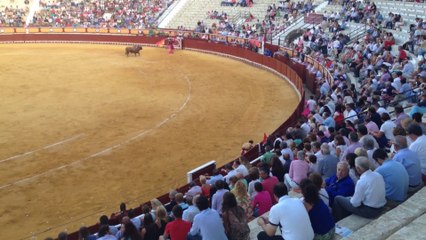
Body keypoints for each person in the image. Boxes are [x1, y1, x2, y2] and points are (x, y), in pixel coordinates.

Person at [332, 157, 386, 221]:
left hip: (371, 211)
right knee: (348, 198)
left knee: (337, 199)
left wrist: (350, 199)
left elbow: (355, 203)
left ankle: (338, 221)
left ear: (358, 168)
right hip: (381, 207)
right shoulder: (378, 175)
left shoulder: (362, 181)